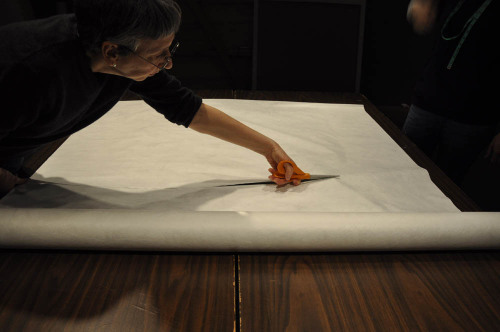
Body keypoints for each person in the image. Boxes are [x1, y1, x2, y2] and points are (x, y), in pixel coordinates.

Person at [0, 0, 302, 198]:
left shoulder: (120, 53)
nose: (168, 63)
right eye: (158, 55)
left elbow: (187, 108)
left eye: (170, 50)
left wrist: (270, 148)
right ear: (111, 52)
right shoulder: (34, 72)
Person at [404, 0, 499, 185]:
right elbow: (421, 22)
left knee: (446, 187)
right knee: (401, 168)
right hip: (428, 101)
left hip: (472, 117)